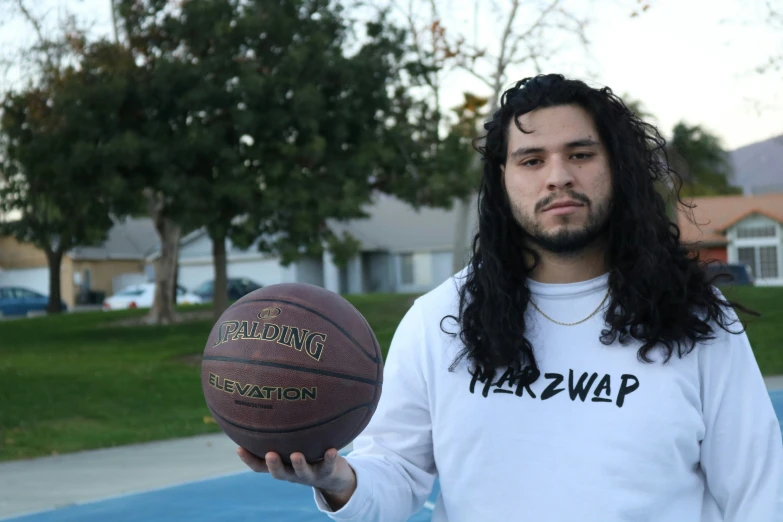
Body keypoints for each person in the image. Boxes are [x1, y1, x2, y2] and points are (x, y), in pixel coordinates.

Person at [237, 74, 783, 521]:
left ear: (617, 168)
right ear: (502, 179)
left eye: (581, 154)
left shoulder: (695, 322)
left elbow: (759, 496)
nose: (558, 177)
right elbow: (394, 475)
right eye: (531, 160)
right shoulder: (440, 320)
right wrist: (336, 478)